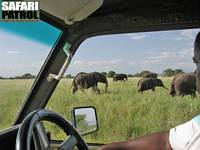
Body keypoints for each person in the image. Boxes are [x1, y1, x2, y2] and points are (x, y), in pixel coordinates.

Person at [98, 31, 200, 150]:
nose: (195, 71)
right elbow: (167, 141)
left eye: (197, 64)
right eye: (196, 64)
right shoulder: (195, 129)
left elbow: (165, 142)